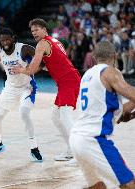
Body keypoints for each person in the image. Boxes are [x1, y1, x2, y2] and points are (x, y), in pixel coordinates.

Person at [12, 18, 81, 161]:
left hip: (69, 81)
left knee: (66, 117)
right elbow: (42, 66)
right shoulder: (54, 41)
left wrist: (20, 69)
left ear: (44, 29)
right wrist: (33, 68)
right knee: (56, 117)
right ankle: (70, 150)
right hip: (66, 81)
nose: (34, 33)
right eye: (32, 31)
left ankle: (80, 153)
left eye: (37, 29)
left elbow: (31, 68)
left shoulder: (42, 44)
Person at [69, 41, 135, 189]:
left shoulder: (88, 75)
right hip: (94, 140)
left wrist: (131, 114)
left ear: (93, 56)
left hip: (76, 139)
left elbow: (117, 112)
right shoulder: (110, 72)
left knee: (97, 186)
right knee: (130, 184)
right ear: (115, 56)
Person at [0, 28, 42, 161]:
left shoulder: (24, 49)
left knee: (24, 112)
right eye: (2, 40)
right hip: (10, 88)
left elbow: (41, 62)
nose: (5, 42)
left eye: (7, 39)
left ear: (13, 38)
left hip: (27, 87)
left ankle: (34, 147)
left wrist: (25, 69)